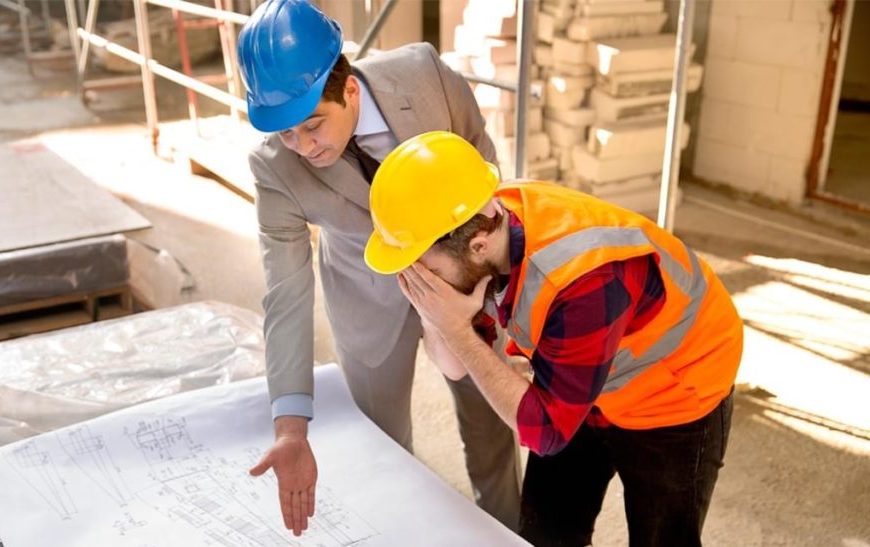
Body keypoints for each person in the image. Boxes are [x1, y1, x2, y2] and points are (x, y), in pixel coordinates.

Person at [364, 130, 744, 546]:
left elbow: (545, 431)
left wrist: (455, 328)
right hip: (579, 374)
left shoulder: (585, 284)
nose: (421, 281)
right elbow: (455, 366)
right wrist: (435, 313)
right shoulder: (483, 228)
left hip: (676, 389)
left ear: (476, 245)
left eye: (425, 269)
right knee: (546, 533)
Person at [236, 0, 521, 537]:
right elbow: (286, 294)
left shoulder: (428, 78)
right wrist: (291, 427)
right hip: (366, 296)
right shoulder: (273, 167)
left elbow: (489, 184)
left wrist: (499, 298)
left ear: (348, 90)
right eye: (286, 134)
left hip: (465, 281)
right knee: (383, 443)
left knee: (490, 425)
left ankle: (505, 530)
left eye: (312, 126)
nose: (303, 147)